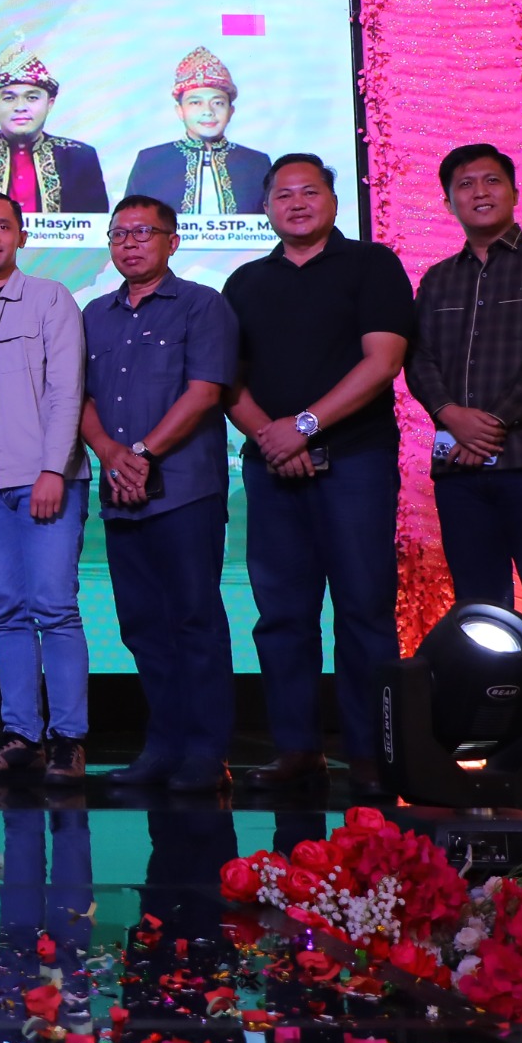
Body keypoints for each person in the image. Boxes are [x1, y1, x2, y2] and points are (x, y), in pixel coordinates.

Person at [405, 143, 522, 804]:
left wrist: (494, 421)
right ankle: (498, 756)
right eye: (465, 184)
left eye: (492, 180)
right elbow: (419, 361)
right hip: (461, 474)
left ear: (515, 192)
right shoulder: (437, 280)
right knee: (482, 619)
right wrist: (451, 416)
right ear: (449, 200)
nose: (479, 192)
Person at [222, 153, 415, 797]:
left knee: (363, 610)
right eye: (283, 195)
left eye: (310, 191)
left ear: (333, 200)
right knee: (281, 617)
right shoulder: (246, 281)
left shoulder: (371, 265)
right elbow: (228, 382)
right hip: (272, 469)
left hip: (355, 462)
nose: (297, 203)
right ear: (266, 208)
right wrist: (273, 438)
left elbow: (383, 361)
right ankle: (297, 749)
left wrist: (302, 426)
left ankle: (372, 753)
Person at [77, 196, 241, 794]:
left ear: (172, 241)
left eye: (143, 232)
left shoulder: (203, 304)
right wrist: (109, 452)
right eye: (119, 233)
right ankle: (163, 747)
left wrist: (143, 453)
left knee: (195, 620)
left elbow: (205, 392)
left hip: (186, 490)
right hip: (121, 492)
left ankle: (206, 751)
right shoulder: (93, 314)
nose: (130, 243)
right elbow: (78, 397)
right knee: (142, 626)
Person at [0, 193, 92, 787]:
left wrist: (53, 469)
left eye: (3, 226)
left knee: (55, 609)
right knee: (7, 612)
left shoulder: (49, 298)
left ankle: (68, 741)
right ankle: (21, 737)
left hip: (42, 479)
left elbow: (67, 390)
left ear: (21, 236)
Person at [0, 50, 108, 217]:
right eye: (9, 98)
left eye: (32, 98)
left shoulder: (80, 157)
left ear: (49, 104)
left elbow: (95, 227)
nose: (20, 107)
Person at [122, 47, 273, 218]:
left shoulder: (256, 163)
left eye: (218, 103)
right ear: (180, 111)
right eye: (195, 103)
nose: (208, 111)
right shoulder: (151, 161)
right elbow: (129, 221)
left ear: (231, 112)